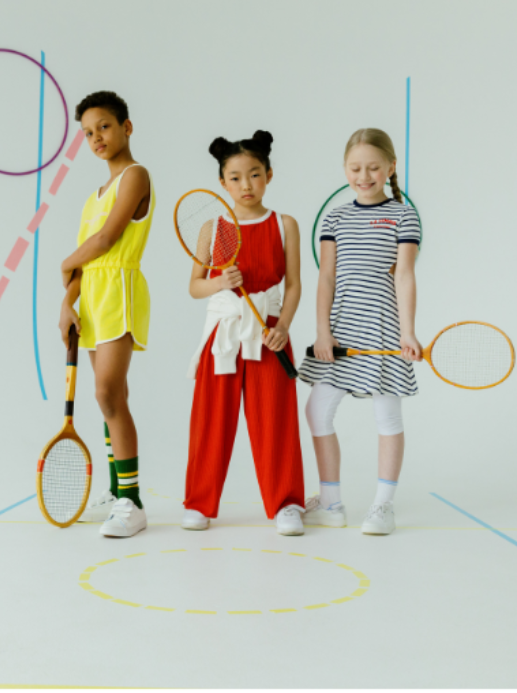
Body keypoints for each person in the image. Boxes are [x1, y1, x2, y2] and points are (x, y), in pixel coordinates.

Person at [181, 131, 307, 536]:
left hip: (268, 334)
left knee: (275, 419)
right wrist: (220, 283)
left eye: (254, 174)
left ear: (269, 174)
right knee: (211, 421)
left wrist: (283, 326)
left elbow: (294, 284)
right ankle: (199, 503)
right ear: (222, 183)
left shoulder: (285, 224)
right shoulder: (212, 227)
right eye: (235, 178)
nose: (245, 185)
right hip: (223, 335)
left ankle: (286, 503)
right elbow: (195, 286)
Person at [297, 128, 421, 535]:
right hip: (341, 329)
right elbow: (326, 277)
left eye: (373, 167)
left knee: (386, 414)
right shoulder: (335, 218)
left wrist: (408, 333)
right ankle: (331, 503)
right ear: (344, 169)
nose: (364, 176)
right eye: (355, 168)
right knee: (317, 411)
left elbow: (404, 275)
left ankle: (383, 506)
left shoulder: (403, 216)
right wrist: (323, 332)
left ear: (391, 167)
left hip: (383, 327)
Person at [58, 91, 154, 538]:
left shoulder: (136, 176)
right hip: (92, 296)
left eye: (104, 127)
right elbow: (85, 263)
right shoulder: (93, 196)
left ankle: (132, 502)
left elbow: (105, 241)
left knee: (107, 393)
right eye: (87, 133)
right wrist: (67, 303)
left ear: (126, 127)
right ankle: (118, 490)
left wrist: (64, 262)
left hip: (119, 291)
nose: (96, 137)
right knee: (108, 397)